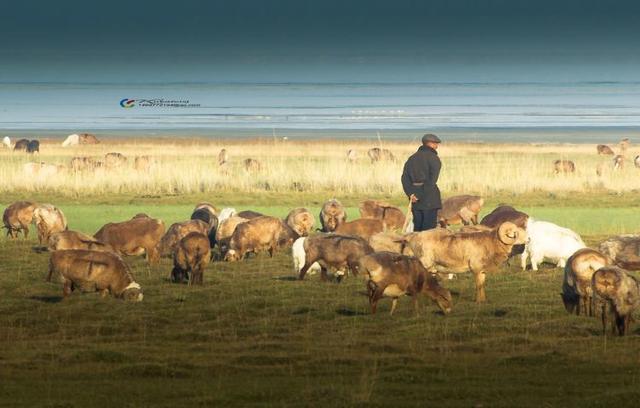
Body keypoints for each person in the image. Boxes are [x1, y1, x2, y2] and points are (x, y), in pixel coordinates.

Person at [401, 133, 442, 231]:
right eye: (435, 143)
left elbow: (404, 178)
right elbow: (432, 180)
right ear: (430, 144)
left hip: (414, 197)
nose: (437, 146)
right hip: (429, 196)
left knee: (417, 227)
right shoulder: (434, 158)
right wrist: (419, 195)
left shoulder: (411, 158)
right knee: (428, 230)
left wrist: (411, 194)